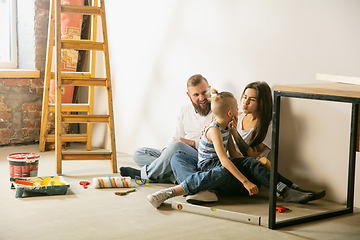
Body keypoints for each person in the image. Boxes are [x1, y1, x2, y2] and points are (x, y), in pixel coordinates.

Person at [170, 81, 326, 204]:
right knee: (177, 156)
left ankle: (294, 190)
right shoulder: (234, 117)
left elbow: (248, 155)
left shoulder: (266, 126)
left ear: (261, 103)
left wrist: (233, 133)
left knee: (250, 162)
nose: (245, 103)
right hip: (227, 166)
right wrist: (210, 132)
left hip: (242, 171)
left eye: (251, 99)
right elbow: (220, 144)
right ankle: (200, 190)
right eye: (244, 97)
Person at [119, 74, 214, 184]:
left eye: (204, 93)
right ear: (189, 95)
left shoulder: (217, 110)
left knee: (177, 147)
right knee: (139, 153)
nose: (202, 98)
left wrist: (191, 143)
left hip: (201, 156)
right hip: (181, 152)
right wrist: (166, 149)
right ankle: (173, 175)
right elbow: (176, 135)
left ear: (209, 89)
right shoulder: (185, 110)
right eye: (196, 95)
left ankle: (145, 174)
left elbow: (216, 146)